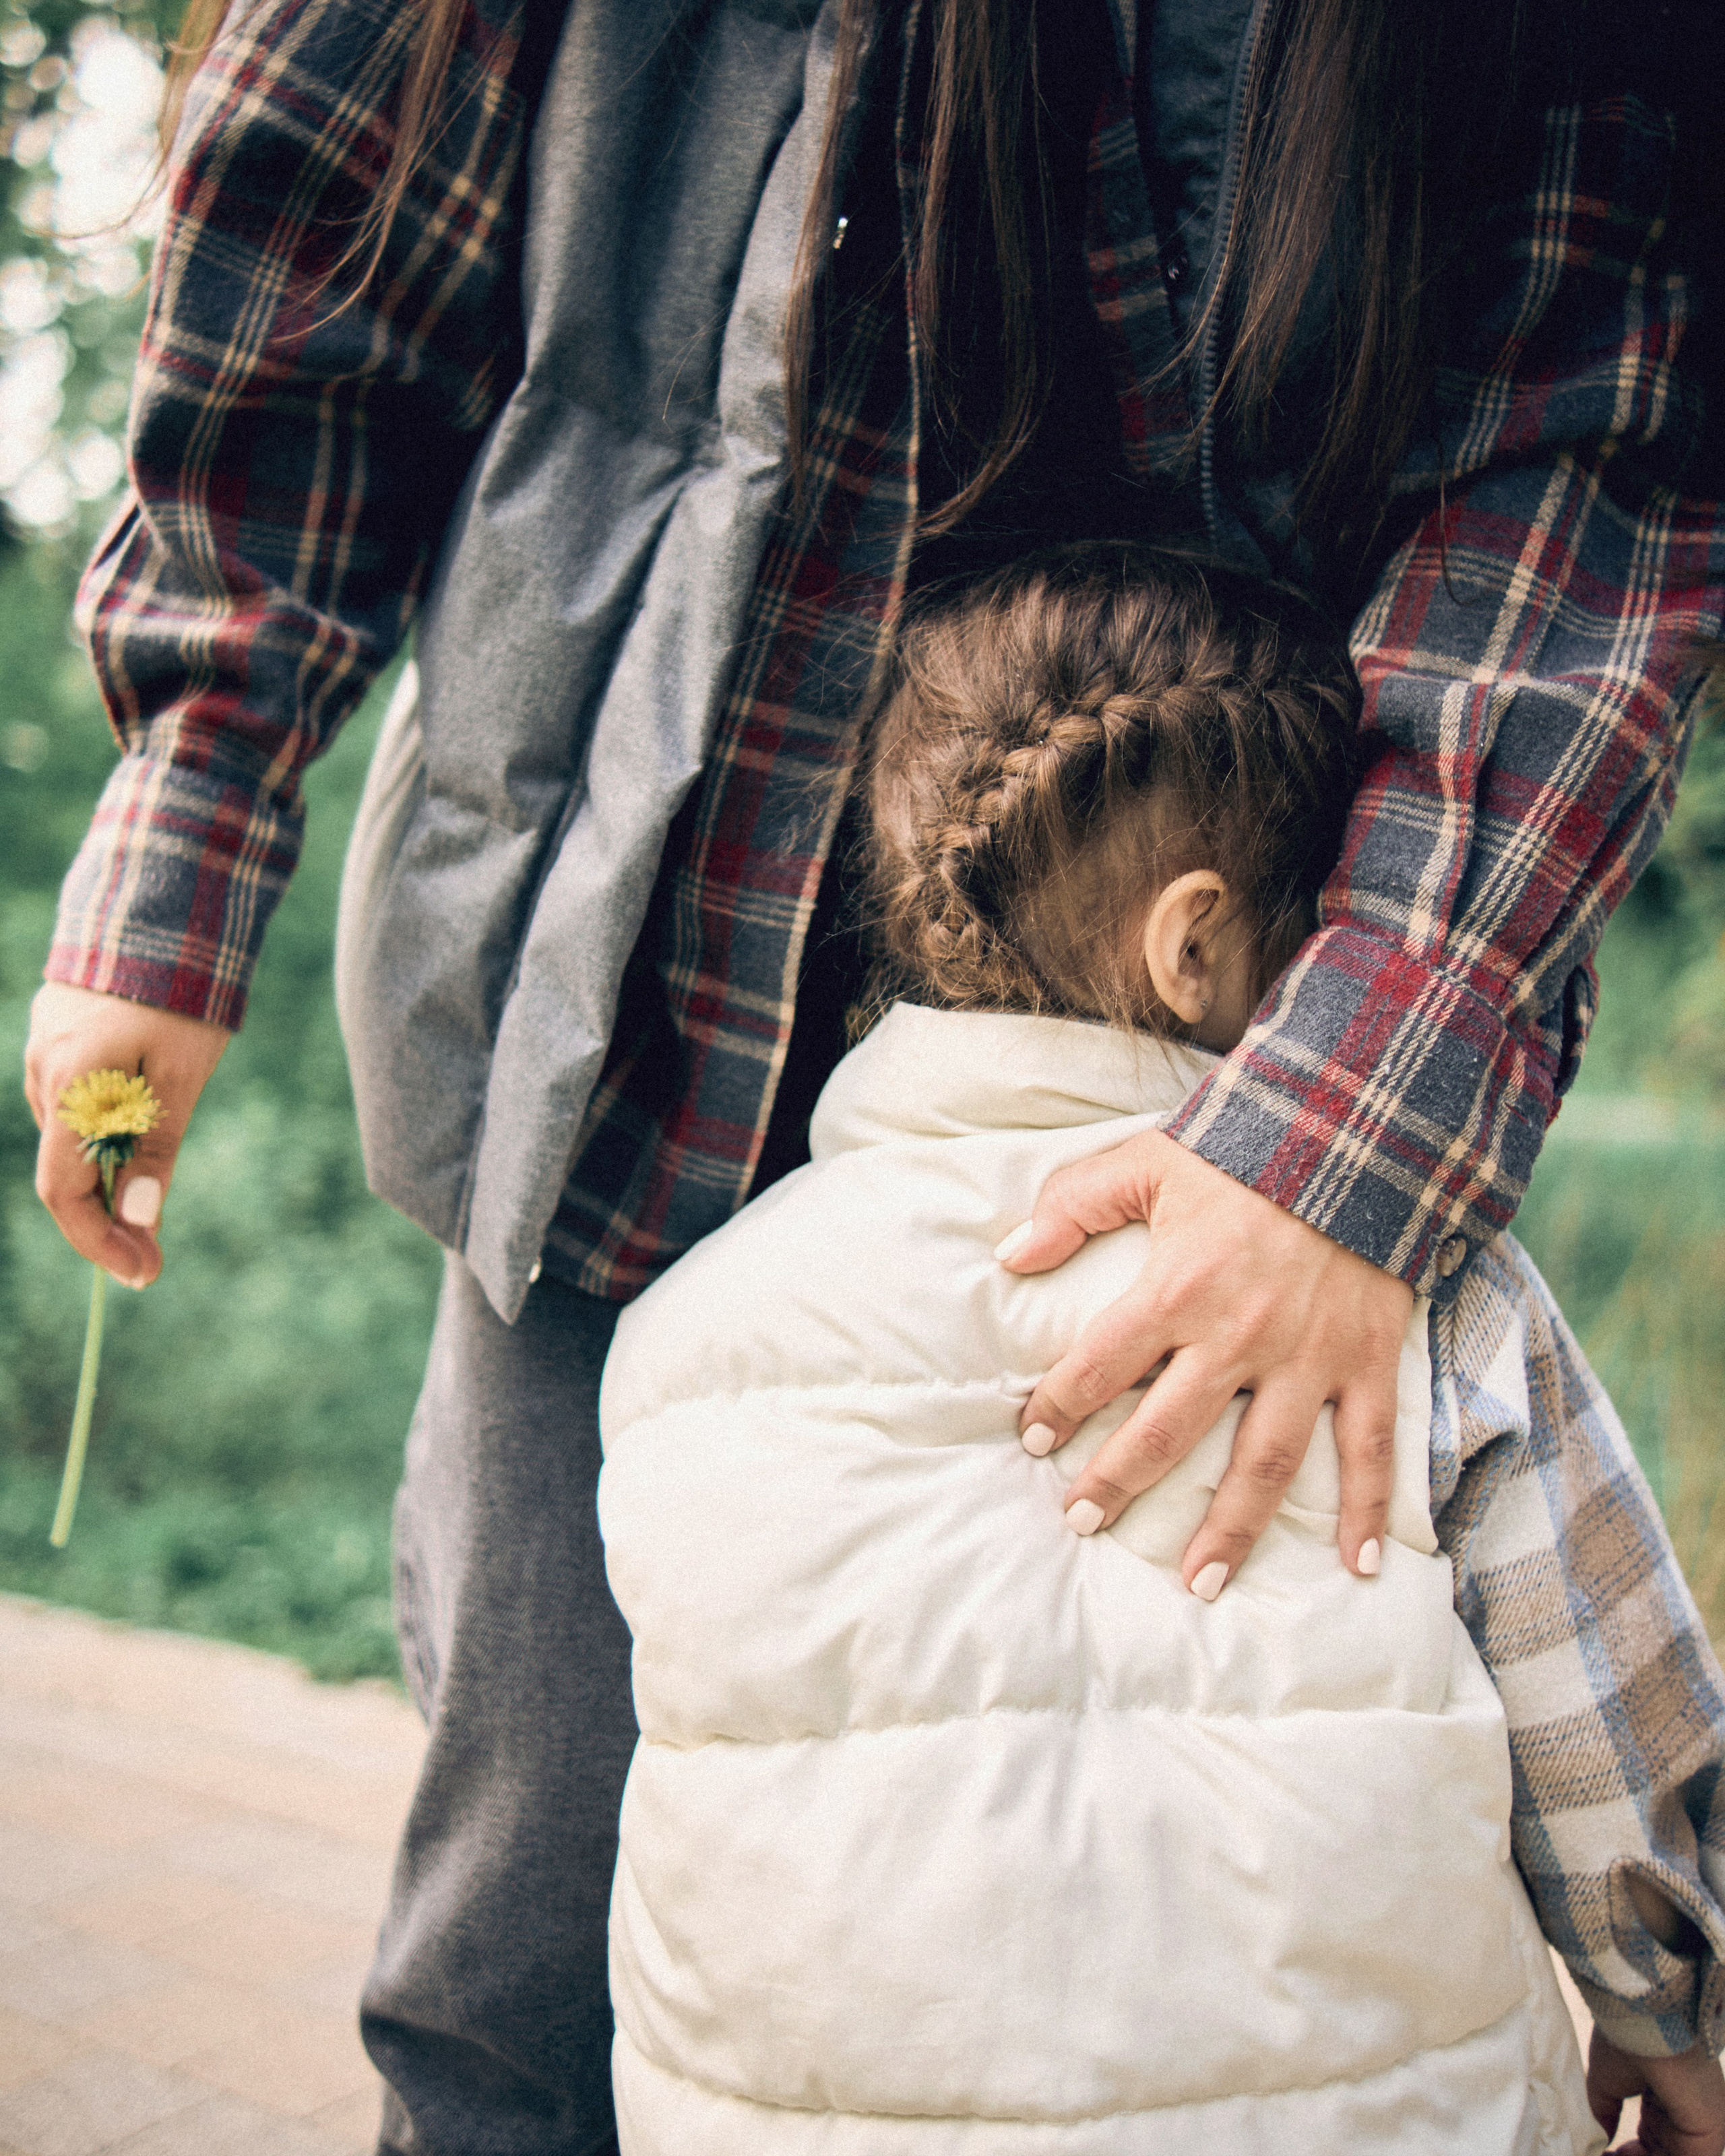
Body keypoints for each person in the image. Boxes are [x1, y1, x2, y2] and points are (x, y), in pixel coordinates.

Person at [20, 0, 1723, 2147]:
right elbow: (330, 199)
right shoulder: (1491, 1352)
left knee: (505, 2017)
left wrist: (1345, 1130)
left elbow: (1599, 453)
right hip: (638, 1024)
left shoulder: (721, 1358)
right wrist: (192, 797)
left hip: (1295, 1081)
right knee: (509, 1976)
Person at [597, 544, 1725, 2155]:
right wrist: (1667, 2011)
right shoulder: (1416, 1290)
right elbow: (1601, 1713)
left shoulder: (684, 1332)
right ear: (1194, 948)